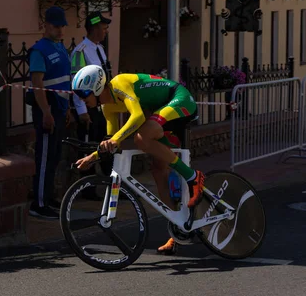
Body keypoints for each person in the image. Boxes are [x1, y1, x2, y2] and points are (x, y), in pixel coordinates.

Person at [71, 65, 206, 255]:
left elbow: (137, 116)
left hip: (178, 97)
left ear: (95, 88)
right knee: (158, 169)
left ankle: (192, 177)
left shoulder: (119, 84)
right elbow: (111, 142)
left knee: (142, 138)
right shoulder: (107, 107)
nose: (82, 100)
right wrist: (92, 157)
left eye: (83, 94)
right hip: (160, 110)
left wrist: (115, 139)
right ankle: (176, 229)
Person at [26, 6, 72, 220]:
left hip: (60, 107)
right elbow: (38, 84)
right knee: (44, 156)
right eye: (56, 26)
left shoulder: (60, 47)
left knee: (54, 155)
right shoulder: (39, 50)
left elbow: (65, 79)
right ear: (46, 25)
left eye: (62, 26)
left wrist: (68, 107)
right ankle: (39, 202)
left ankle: (49, 196)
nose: (60, 30)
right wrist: (46, 112)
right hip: (48, 107)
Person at [69, 12, 111, 199]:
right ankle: (88, 189)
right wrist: (82, 111)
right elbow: (77, 82)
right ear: (94, 28)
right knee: (90, 146)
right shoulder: (81, 51)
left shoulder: (99, 49)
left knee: (106, 145)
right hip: (89, 108)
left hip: (101, 105)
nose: (105, 31)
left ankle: (112, 185)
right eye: (103, 28)